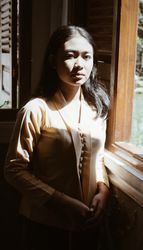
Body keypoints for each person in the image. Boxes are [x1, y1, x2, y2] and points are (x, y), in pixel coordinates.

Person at [4, 25, 110, 250]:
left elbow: (98, 158)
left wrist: (103, 190)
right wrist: (62, 202)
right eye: (70, 56)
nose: (79, 64)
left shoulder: (96, 109)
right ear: (53, 61)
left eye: (86, 56)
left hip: (87, 221)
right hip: (44, 223)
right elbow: (13, 170)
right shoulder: (36, 109)